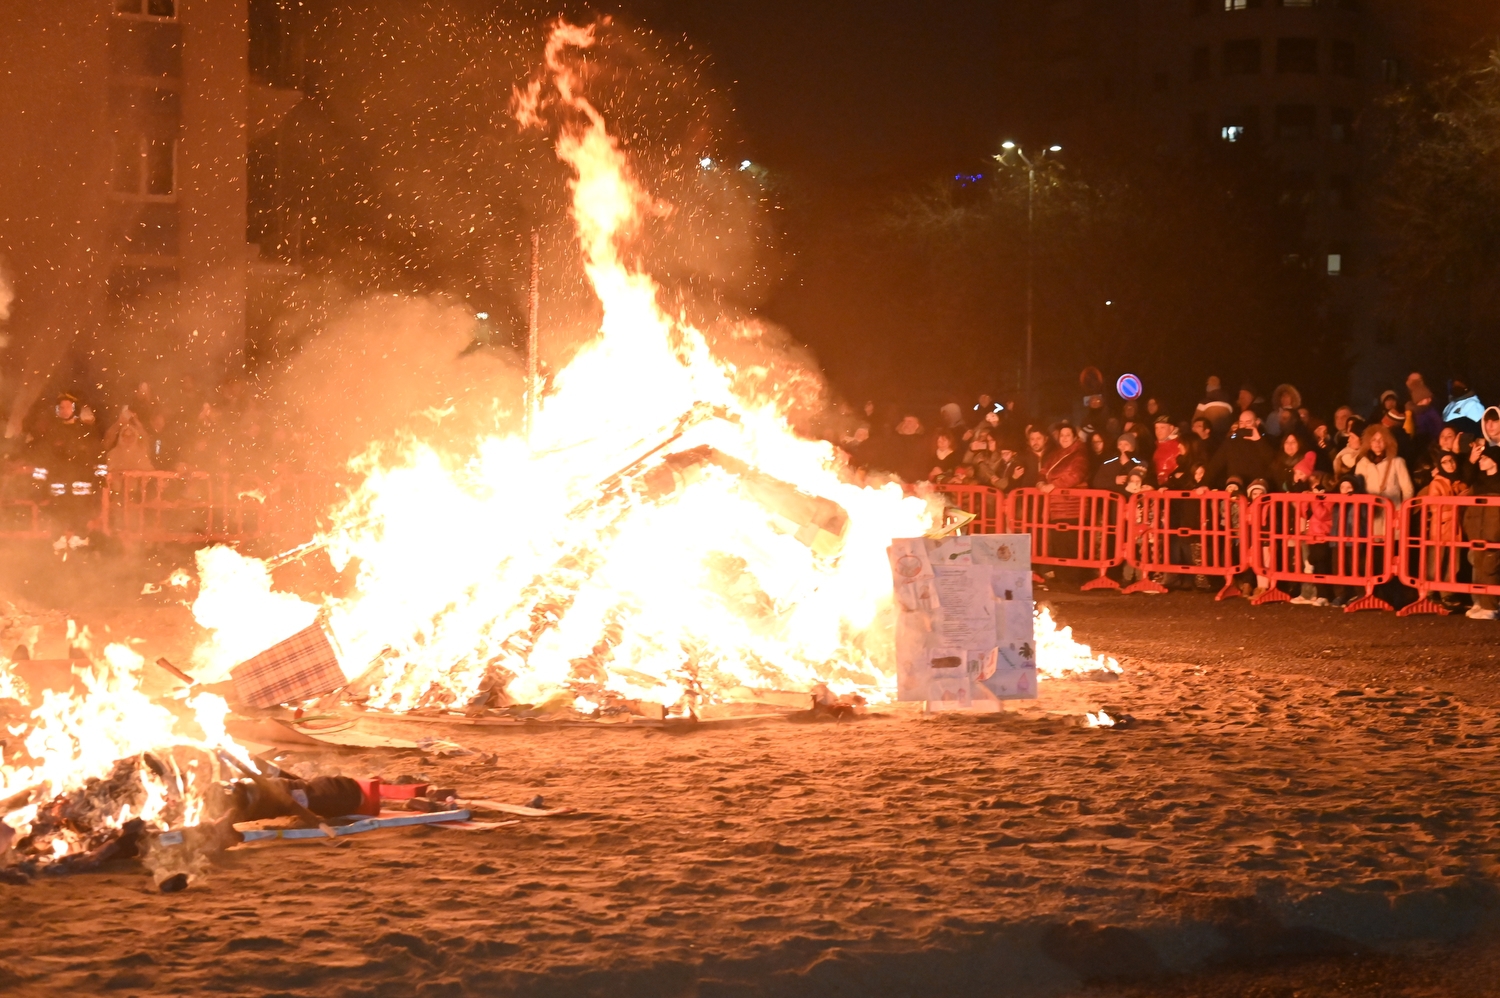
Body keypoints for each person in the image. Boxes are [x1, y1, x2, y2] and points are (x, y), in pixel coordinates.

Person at [1463, 444, 1500, 619]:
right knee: (1479, 563)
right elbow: (1465, 477)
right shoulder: (1479, 479)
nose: (1480, 461)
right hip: (1478, 527)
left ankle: (1491, 606)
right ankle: (1481, 602)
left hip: (1494, 528)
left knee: (1491, 565)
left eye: (1484, 458)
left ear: (1495, 461)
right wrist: (1471, 459)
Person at [1205, 410, 1272, 490]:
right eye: (1241, 422)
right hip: (1236, 490)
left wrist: (1259, 441)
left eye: (1248, 422)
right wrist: (1203, 484)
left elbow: (1273, 462)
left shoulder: (1267, 440)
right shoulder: (1231, 442)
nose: (1244, 426)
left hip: (1258, 492)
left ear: (1257, 422)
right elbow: (1215, 465)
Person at [1353, 423, 1414, 507]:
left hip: (1393, 512)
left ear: (1387, 442)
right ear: (1369, 442)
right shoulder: (1362, 464)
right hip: (1371, 514)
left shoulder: (1397, 462)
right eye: (1374, 439)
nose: (1377, 443)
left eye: (1381, 439)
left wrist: (1403, 511)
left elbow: (1408, 489)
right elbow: (1358, 490)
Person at [1151, 415, 1179, 487]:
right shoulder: (1155, 446)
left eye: (1162, 427)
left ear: (1171, 428)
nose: (1158, 431)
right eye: (1156, 428)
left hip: (1171, 488)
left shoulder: (1178, 445)